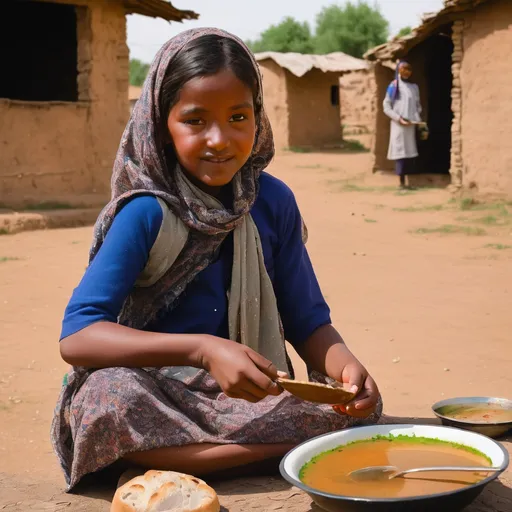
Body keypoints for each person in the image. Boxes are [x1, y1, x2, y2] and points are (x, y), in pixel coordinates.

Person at [51, 28, 382, 492]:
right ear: (161, 125)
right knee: (108, 398)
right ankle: (286, 452)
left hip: (249, 395)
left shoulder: (273, 203)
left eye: (237, 116)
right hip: (159, 390)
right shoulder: (146, 212)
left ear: (258, 117)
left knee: (360, 405)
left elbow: (308, 321)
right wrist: (203, 350)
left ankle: (188, 459)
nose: (220, 139)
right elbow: (80, 336)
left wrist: (346, 368)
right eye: (195, 120)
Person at [383, 60, 422, 189]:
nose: (406, 73)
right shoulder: (394, 86)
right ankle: (401, 183)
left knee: (409, 153)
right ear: (399, 71)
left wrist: (416, 119)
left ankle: (408, 183)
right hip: (398, 125)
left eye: (408, 70)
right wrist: (398, 119)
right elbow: (386, 106)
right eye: (403, 70)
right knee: (400, 153)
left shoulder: (414, 87)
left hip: (409, 125)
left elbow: (417, 106)